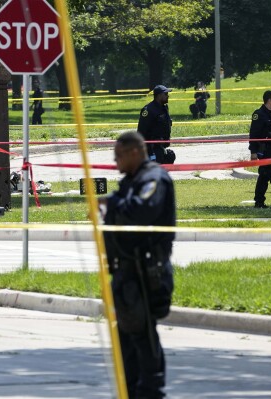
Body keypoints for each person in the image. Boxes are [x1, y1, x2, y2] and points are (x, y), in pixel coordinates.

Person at [99, 131, 175, 399]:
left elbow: (142, 209)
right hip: (126, 271)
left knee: (142, 334)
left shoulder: (153, 178)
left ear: (134, 152)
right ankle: (131, 390)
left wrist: (113, 203)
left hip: (146, 271)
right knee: (126, 337)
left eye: (118, 156)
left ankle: (151, 390)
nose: (115, 162)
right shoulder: (131, 180)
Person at [137, 85, 175, 164]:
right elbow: (141, 132)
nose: (168, 96)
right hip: (151, 149)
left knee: (170, 156)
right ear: (159, 95)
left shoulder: (164, 108)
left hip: (161, 146)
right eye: (165, 94)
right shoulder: (148, 110)